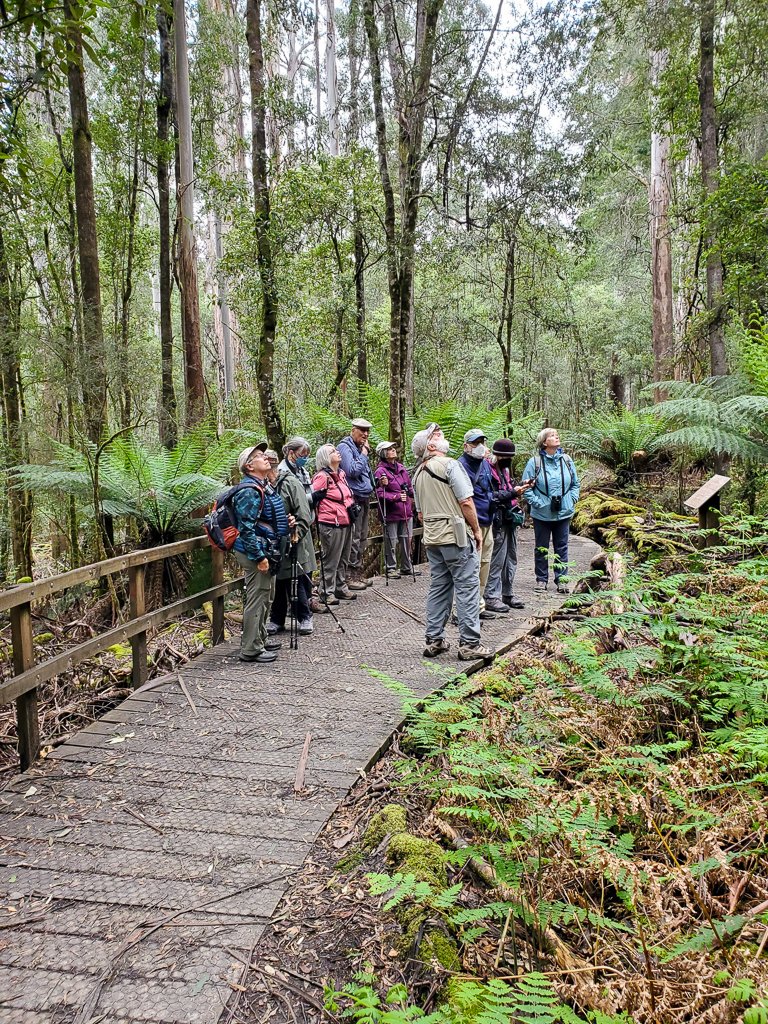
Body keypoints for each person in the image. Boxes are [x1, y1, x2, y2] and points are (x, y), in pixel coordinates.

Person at [411, 426, 494, 662]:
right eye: (436, 436)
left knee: (439, 587)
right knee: (468, 587)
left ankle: (434, 639)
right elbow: (466, 502)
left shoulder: (417, 474)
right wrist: (476, 531)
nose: (441, 436)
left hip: (432, 538)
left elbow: (420, 514)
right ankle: (469, 643)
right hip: (456, 536)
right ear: (430, 447)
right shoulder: (450, 465)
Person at [231, 443, 291, 663]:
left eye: (265, 455)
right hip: (255, 552)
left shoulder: (263, 485)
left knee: (267, 596)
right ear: (249, 466)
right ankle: (250, 649)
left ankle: (260, 638)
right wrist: (259, 557)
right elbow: (245, 528)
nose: (265, 458)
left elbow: (265, 517)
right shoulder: (248, 490)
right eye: (259, 456)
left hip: (265, 549)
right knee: (257, 598)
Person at [522, 428, 581, 594]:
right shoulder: (534, 463)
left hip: (563, 511)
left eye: (556, 435)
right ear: (544, 443)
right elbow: (526, 487)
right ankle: (541, 580)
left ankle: (562, 580)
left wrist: (572, 499)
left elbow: (575, 484)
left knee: (561, 547)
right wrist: (538, 503)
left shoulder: (567, 460)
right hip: (542, 514)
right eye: (552, 436)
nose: (556, 437)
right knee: (542, 548)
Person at [269, 438, 317, 636]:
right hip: (274, 541)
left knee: (296, 580)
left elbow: (303, 514)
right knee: (279, 580)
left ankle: (304, 617)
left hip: (295, 539)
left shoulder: (290, 482)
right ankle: (276, 619)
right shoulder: (265, 485)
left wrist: (293, 535)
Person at [484, 438, 531, 612]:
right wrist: (512, 492)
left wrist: (520, 487)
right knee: (497, 558)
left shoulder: (504, 470)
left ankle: (507, 593)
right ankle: (490, 596)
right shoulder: (487, 471)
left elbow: (508, 489)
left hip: (510, 518)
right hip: (498, 520)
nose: (509, 460)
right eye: (506, 456)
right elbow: (490, 495)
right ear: (498, 456)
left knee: (511, 557)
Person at [457, 429, 498, 620]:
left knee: (484, 565)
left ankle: (478, 606)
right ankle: (461, 609)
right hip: (471, 523)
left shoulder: (486, 465)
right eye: (475, 443)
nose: (480, 447)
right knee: (468, 567)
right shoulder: (460, 466)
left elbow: (491, 489)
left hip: (487, 520)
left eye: (482, 442)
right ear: (466, 446)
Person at [312, 443, 356, 606]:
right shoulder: (322, 477)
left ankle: (340, 587)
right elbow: (311, 497)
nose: (337, 453)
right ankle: (326, 591)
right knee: (331, 558)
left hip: (346, 520)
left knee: (343, 558)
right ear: (325, 457)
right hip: (331, 522)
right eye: (333, 451)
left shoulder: (342, 474)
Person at [337, 418, 374, 588]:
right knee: (354, 537)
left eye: (367, 431)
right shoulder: (345, 448)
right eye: (362, 430)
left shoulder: (359, 448)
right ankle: (348, 576)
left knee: (363, 536)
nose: (365, 434)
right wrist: (365, 454)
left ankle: (357, 573)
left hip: (364, 497)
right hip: (353, 500)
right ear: (353, 431)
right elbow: (351, 470)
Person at [374, 441, 418, 578]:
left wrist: (412, 500)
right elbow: (379, 493)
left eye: (394, 448)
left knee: (406, 540)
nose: (393, 450)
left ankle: (406, 566)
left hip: (405, 511)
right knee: (390, 540)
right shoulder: (380, 472)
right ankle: (390, 568)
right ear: (383, 453)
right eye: (389, 449)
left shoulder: (401, 468)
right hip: (391, 512)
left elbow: (409, 487)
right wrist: (395, 497)